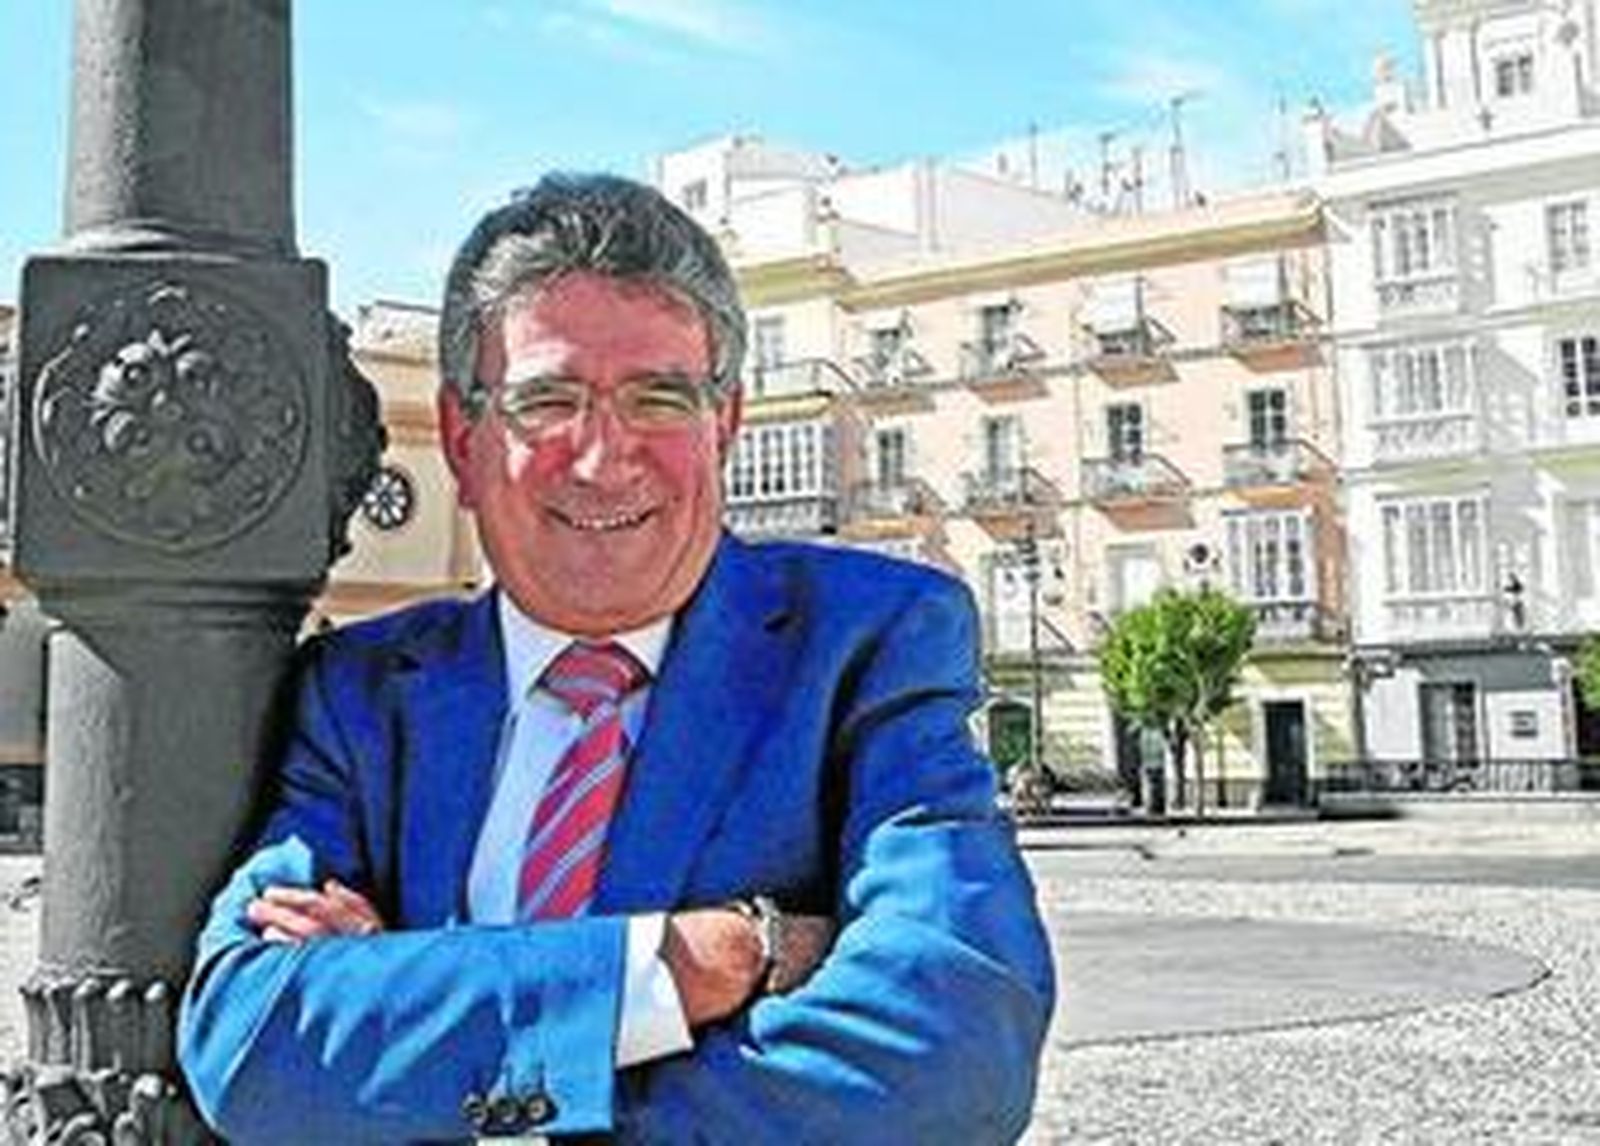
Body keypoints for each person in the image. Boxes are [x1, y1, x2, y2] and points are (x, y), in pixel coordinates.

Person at [178, 173, 1055, 1144]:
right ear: (464, 438)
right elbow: (257, 1041)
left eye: (659, 399)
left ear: (725, 424)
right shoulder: (362, 694)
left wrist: (452, 1059)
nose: (602, 459)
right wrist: (702, 959)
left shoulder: (868, 644)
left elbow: (952, 1057)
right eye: (546, 401)